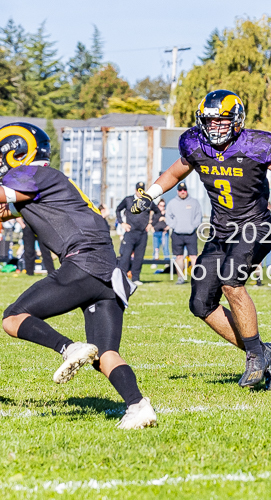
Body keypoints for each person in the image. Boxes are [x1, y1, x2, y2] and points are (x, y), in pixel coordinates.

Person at [132, 89, 271, 390]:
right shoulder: (195, 143)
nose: (216, 127)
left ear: (237, 121)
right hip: (221, 231)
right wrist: (150, 195)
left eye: (222, 121)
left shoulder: (257, 144)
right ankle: (260, 351)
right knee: (201, 303)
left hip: (256, 227)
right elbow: (174, 173)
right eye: (210, 121)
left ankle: (256, 358)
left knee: (232, 281)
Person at [0, 122, 155, 429]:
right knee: (106, 354)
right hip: (108, 272)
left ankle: (67, 348)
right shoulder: (42, 183)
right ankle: (138, 406)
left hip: (84, 262)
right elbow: (7, 210)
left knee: (13, 318)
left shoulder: (31, 175)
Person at [116, 182, 157, 286]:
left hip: (142, 233)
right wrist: (122, 223)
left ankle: (135, 278)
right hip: (130, 233)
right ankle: (123, 278)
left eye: (142, 189)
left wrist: (151, 224)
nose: (140, 192)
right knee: (125, 257)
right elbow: (118, 210)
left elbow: (158, 212)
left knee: (139, 257)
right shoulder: (128, 200)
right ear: (135, 190)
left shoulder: (148, 201)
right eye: (139, 190)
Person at [166, 182, 202, 285]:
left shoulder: (194, 202)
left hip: (191, 234)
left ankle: (196, 278)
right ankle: (180, 278)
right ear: (178, 191)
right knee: (179, 257)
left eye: (184, 190)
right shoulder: (172, 203)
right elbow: (168, 217)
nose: (183, 192)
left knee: (193, 256)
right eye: (181, 190)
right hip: (177, 234)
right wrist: (175, 226)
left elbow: (198, 216)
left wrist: (192, 226)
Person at [151, 198, 169, 266]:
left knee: (165, 249)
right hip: (156, 233)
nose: (162, 207)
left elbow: (171, 223)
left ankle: (167, 263)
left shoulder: (167, 213)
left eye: (163, 205)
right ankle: (155, 263)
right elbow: (152, 222)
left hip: (164, 233)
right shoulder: (155, 213)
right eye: (161, 205)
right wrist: (152, 229)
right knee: (156, 249)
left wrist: (165, 219)